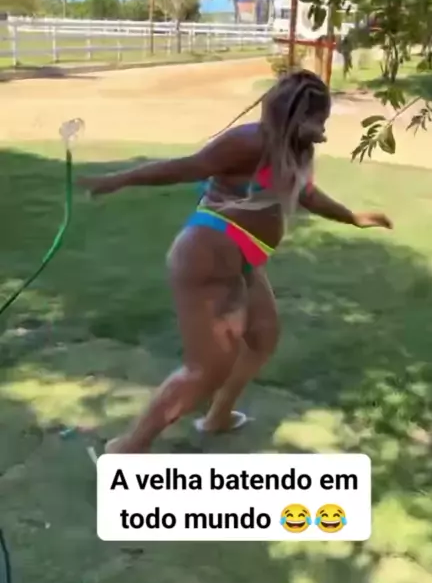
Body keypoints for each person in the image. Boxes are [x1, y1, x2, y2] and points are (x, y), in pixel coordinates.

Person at [78, 69, 393, 453]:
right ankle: (128, 448)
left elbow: (307, 194)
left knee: (262, 337)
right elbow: (185, 167)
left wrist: (353, 217)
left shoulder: (293, 152)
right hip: (208, 256)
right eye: (318, 120)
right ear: (294, 116)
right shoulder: (250, 140)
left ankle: (218, 416)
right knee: (205, 370)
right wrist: (119, 179)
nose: (321, 129)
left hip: (242, 260)